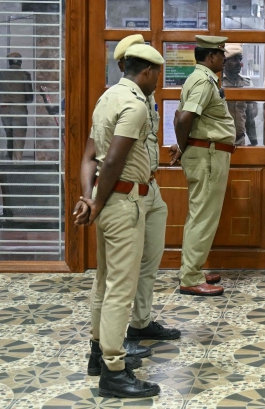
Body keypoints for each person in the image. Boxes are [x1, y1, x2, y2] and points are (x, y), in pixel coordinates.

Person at [73, 44, 164, 399]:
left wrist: (89, 197)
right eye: (157, 74)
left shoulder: (107, 98)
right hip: (123, 201)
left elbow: (88, 157)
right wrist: (97, 202)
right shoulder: (136, 105)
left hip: (107, 199)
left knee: (104, 281)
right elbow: (111, 161)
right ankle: (113, 369)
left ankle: (98, 352)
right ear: (148, 73)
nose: (157, 80)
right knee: (120, 291)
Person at [109, 35, 182, 345]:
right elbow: (109, 154)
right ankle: (118, 336)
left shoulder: (146, 99)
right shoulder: (120, 99)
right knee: (126, 269)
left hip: (150, 186)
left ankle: (140, 322)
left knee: (150, 261)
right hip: (127, 193)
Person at [169, 35, 235, 297]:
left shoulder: (201, 78)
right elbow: (183, 118)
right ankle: (190, 277)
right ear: (211, 57)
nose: (224, 59)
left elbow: (183, 117)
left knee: (200, 214)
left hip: (209, 153)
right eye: (222, 55)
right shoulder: (203, 80)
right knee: (203, 216)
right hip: (207, 155)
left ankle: (192, 269)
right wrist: (183, 146)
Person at [222, 44, 258, 146]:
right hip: (221, 141)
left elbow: (250, 117)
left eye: (239, 59)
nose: (239, 64)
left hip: (240, 141)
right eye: (234, 60)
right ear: (224, 62)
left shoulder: (246, 83)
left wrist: (254, 142)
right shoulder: (219, 83)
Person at [0, 52, 33, 161]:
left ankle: (9, 161)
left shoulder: (1, 74)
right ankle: (16, 164)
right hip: (19, 109)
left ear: (9, 62)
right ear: (20, 62)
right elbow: (29, 97)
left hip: (4, 109)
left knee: (9, 135)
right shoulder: (24, 75)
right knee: (18, 137)